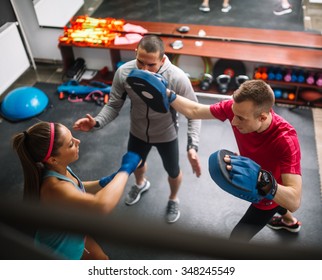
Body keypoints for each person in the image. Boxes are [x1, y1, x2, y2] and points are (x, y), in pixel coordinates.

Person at [73, 35, 202, 224]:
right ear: (135, 53)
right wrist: (97, 122)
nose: (144, 69)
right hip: (138, 131)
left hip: (166, 134)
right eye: (140, 62)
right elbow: (113, 105)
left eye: (151, 65)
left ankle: (173, 198)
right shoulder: (124, 72)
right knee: (137, 165)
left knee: (173, 170)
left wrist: (193, 145)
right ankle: (141, 184)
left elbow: (194, 112)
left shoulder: (177, 77)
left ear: (163, 60)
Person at [163, 79, 302, 242]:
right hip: (259, 173)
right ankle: (290, 222)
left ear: (262, 117)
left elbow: (294, 201)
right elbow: (194, 110)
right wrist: (166, 94)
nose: (234, 122)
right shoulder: (235, 109)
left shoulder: (286, 140)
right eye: (234, 115)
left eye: (241, 118)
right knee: (280, 206)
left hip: (267, 193)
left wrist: (264, 183)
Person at [12, 121, 141, 259]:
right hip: (62, 252)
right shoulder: (55, 188)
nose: (78, 141)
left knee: (103, 260)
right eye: (71, 144)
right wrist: (125, 169)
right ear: (53, 159)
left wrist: (104, 182)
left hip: (73, 235)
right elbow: (101, 205)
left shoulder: (58, 168)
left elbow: (76, 188)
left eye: (73, 137)